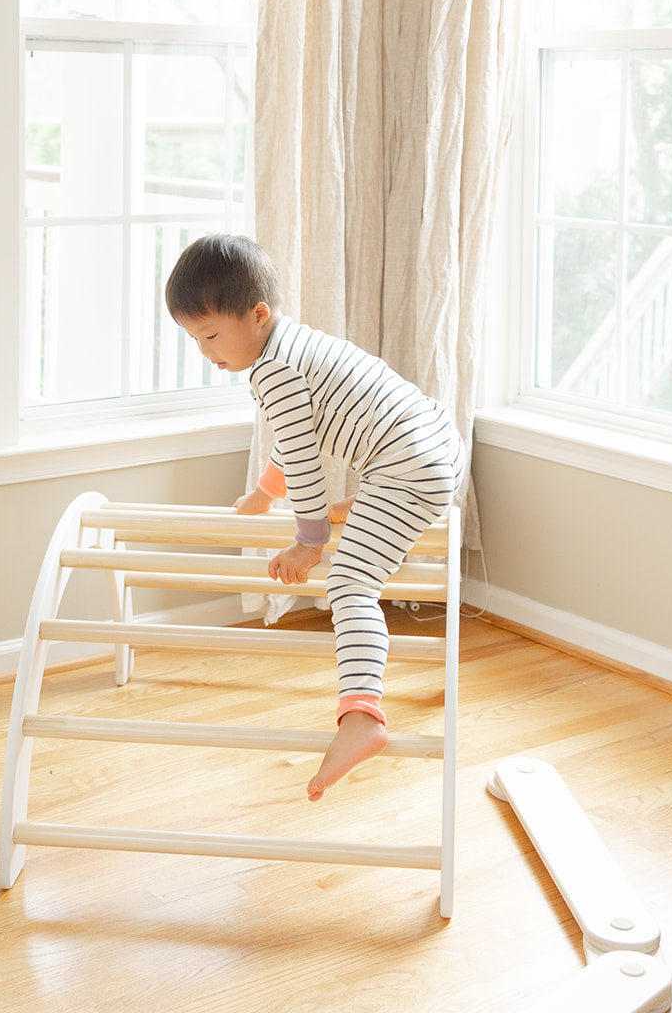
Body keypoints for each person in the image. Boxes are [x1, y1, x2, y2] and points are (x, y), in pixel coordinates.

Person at [165, 232, 465, 802]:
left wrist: (309, 542)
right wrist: (263, 493)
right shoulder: (290, 347)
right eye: (193, 338)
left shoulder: (273, 372)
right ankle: (368, 506)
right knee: (351, 508)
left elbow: (304, 461)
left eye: (209, 335)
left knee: (350, 583)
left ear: (257, 315)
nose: (205, 351)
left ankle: (362, 716)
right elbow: (296, 437)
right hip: (435, 439)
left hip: (409, 468)